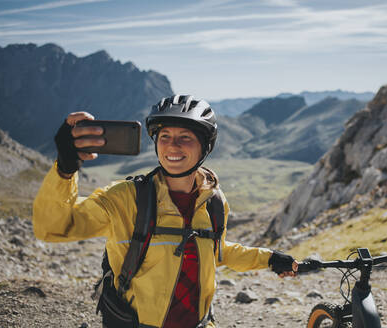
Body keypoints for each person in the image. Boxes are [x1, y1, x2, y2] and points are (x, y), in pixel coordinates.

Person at [33, 94, 298, 328]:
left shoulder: (214, 201)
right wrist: (65, 169)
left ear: (205, 147)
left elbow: (216, 251)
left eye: (185, 137)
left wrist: (270, 258)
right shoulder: (125, 197)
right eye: (165, 136)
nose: (173, 146)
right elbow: (52, 228)